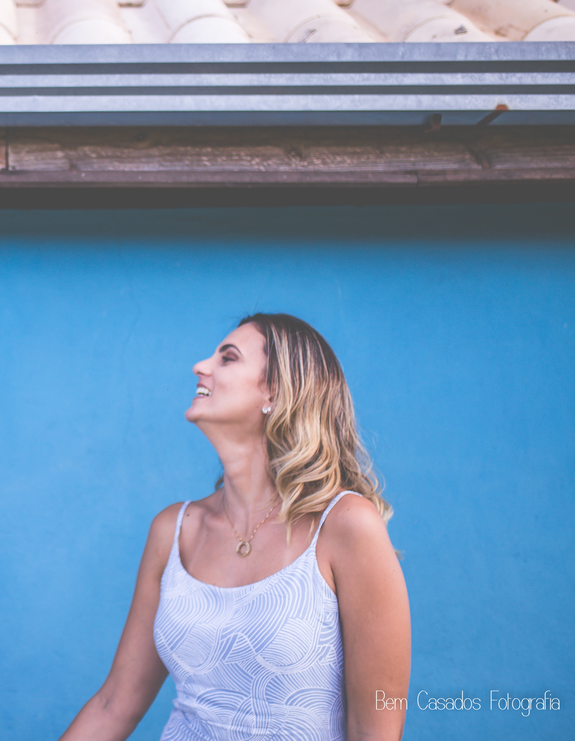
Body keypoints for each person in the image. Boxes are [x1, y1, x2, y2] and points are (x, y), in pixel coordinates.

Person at [59, 314, 410, 741]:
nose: (200, 366)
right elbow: (114, 704)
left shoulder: (347, 525)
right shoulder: (175, 530)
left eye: (227, 358)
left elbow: (375, 729)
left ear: (275, 391)